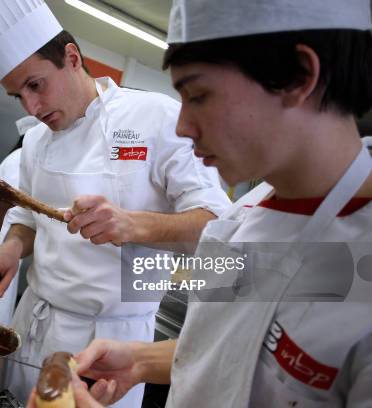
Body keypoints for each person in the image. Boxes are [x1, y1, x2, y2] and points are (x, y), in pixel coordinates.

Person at [60, 0, 372, 407]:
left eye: (199, 95)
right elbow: (240, 339)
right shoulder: (242, 218)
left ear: (299, 76)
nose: (182, 127)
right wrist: (140, 360)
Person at [0, 1, 231, 406]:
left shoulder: (155, 118)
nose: (31, 109)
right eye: (17, 94)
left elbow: (217, 226)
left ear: (72, 58)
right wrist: (13, 246)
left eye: (35, 85)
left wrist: (135, 225)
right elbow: (28, 214)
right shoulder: (36, 141)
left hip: (108, 348)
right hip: (34, 324)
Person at [0, 115, 40, 326]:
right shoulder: (21, 159)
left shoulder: (14, 157)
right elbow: (23, 212)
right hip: (8, 233)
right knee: (0, 295)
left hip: (8, 232)